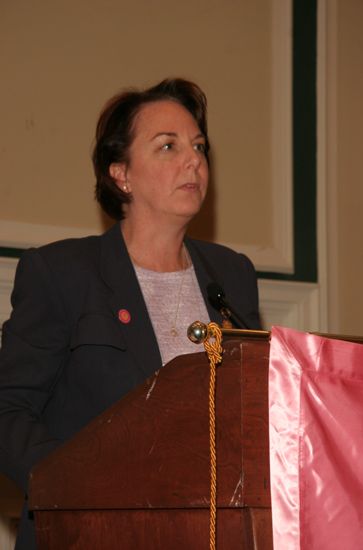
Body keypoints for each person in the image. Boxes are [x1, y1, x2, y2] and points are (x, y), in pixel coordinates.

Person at [0, 78, 261, 548]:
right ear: (121, 174)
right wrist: (76, 490)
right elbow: (9, 408)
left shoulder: (232, 275)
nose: (194, 160)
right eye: (168, 146)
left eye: (199, 146)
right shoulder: (63, 272)